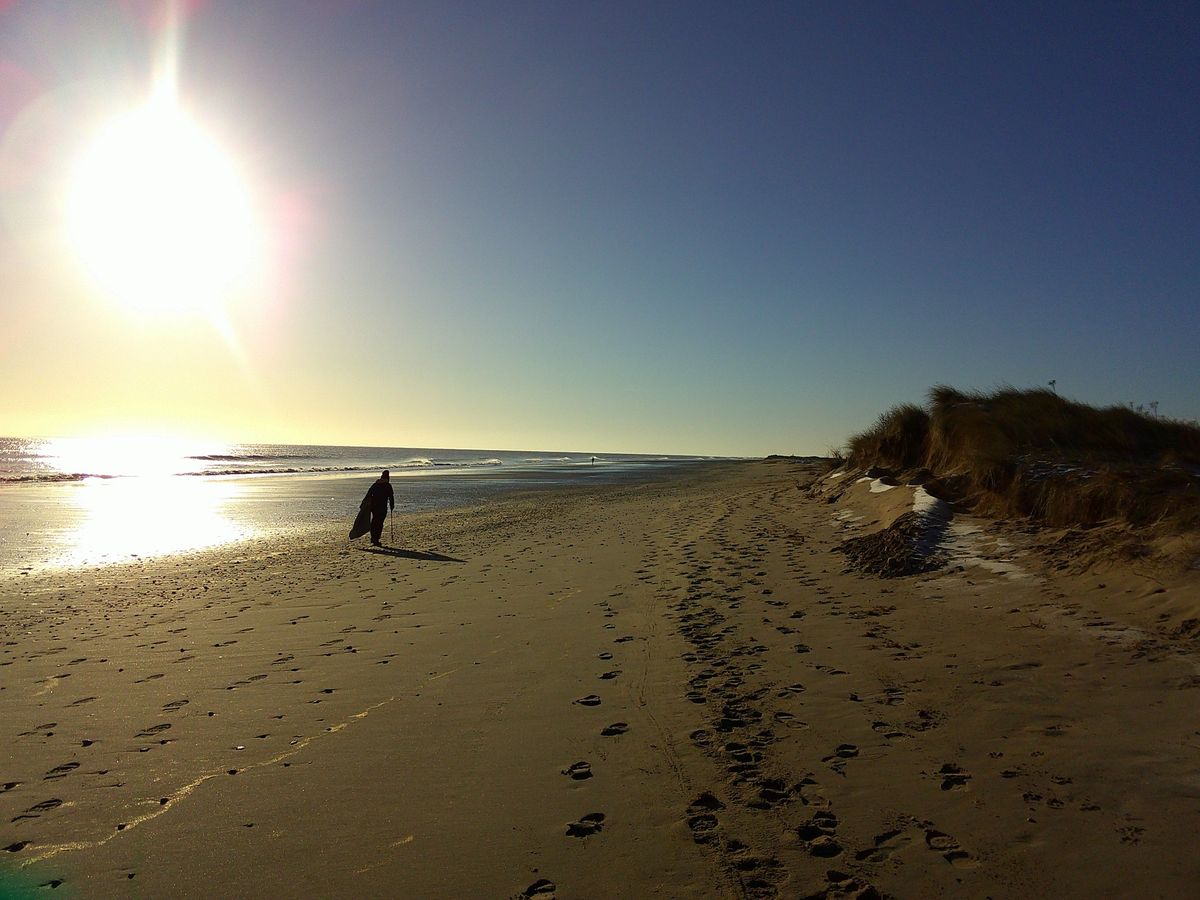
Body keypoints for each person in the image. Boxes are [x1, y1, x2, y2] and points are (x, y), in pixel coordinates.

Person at [361, 470, 395, 546]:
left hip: (374, 507)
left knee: (374, 522)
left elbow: (368, 494)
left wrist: (364, 504)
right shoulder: (388, 485)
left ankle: (373, 538)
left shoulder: (375, 484)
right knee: (379, 523)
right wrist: (392, 506)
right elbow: (391, 497)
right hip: (382, 507)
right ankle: (376, 539)